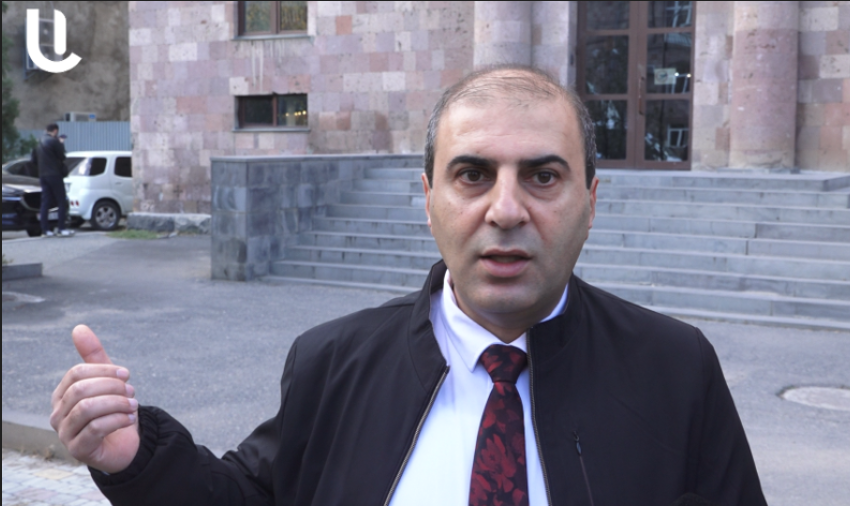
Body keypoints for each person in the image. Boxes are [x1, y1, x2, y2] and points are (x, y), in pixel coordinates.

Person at [50, 66, 767, 506]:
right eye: (472, 174)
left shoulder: (676, 369)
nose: (506, 209)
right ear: (428, 199)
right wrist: (139, 459)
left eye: (543, 176)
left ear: (591, 201)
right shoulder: (333, 362)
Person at [32, 123, 72, 237]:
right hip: (54, 175)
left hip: (42, 175)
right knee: (61, 201)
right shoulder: (54, 141)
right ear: (55, 131)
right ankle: (61, 228)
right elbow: (62, 156)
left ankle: (45, 230)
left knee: (45, 202)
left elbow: (33, 160)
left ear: (46, 130)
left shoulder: (37, 142)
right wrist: (61, 143)